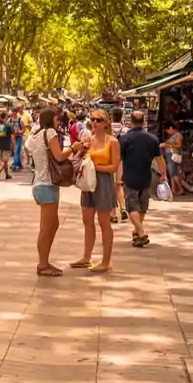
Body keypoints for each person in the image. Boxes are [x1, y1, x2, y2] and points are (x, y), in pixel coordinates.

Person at [70, 109, 121, 274]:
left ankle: (106, 261)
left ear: (106, 123)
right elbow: (76, 158)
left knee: (104, 222)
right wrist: (80, 151)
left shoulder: (112, 142)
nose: (95, 122)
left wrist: (95, 167)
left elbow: (114, 167)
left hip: (104, 182)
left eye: (98, 120)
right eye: (92, 119)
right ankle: (86, 257)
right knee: (87, 220)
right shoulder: (88, 140)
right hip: (88, 183)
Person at [24, 108, 74, 277]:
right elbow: (59, 156)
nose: (58, 121)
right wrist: (74, 148)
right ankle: (43, 263)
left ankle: (44, 261)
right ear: (51, 119)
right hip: (46, 185)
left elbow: (28, 147)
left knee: (52, 225)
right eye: (56, 118)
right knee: (47, 228)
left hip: (39, 183)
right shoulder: (50, 132)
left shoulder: (35, 135)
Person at [119, 110, 163, 250]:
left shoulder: (125, 139)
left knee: (132, 207)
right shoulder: (152, 139)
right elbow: (159, 159)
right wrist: (164, 174)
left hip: (130, 176)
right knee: (142, 207)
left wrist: (117, 175)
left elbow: (118, 159)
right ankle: (137, 232)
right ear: (144, 121)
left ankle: (141, 232)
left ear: (130, 121)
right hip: (145, 176)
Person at [162, 122, 185, 196]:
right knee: (171, 173)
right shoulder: (174, 135)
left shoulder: (178, 135)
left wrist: (167, 145)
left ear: (171, 128)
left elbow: (178, 145)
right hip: (170, 155)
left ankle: (180, 189)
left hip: (173, 155)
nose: (168, 133)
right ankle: (173, 189)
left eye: (167, 131)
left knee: (173, 172)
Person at [0, 109, 14, 182]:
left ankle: (7, 174)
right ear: (5, 116)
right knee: (4, 161)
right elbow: (12, 136)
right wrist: (14, 145)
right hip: (7, 144)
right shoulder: (9, 125)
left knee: (4, 161)